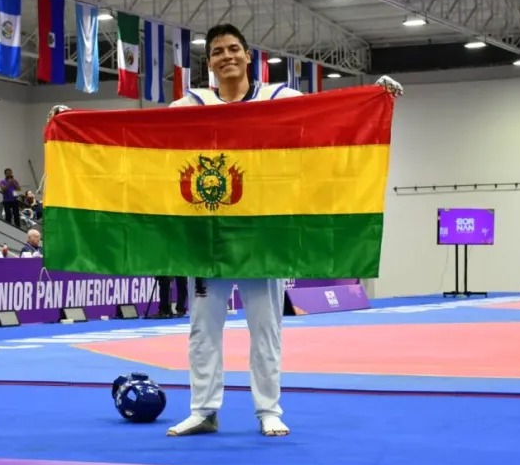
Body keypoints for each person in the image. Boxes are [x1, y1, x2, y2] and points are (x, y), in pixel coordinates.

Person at [163, 23, 403, 438]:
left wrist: (373, 96)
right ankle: (203, 409)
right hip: (209, 236)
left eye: (234, 48)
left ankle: (268, 409)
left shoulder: (280, 99)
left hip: (264, 234)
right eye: (218, 51)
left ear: (248, 55)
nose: (227, 56)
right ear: (209, 63)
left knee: (266, 328)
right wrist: (73, 121)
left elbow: (329, 114)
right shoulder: (191, 105)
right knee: (203, 329)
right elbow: (133, 131)